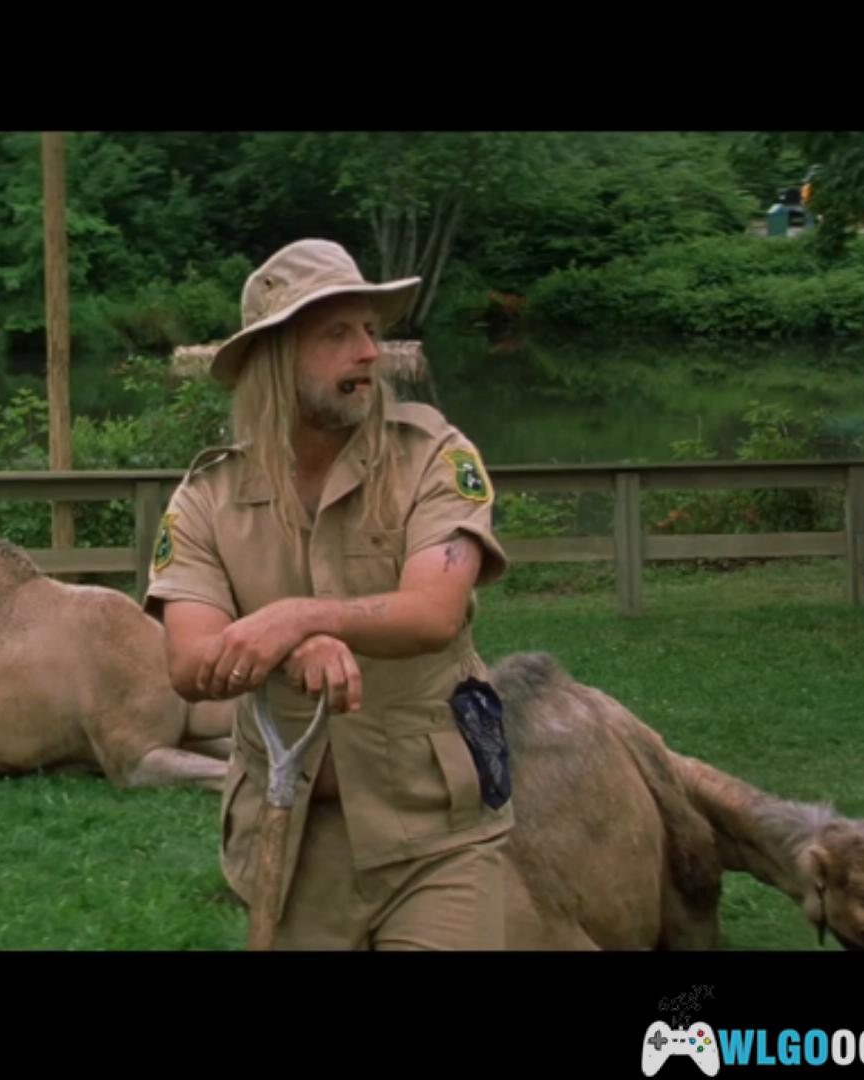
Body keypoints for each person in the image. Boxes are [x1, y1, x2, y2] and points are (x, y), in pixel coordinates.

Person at [145, 239, 513, 950]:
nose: (370, 352)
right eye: (337, 333)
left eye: (369, 330)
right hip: (289, 835)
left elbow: (434, 613)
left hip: (440, 833)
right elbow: (190, 664)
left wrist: (299, 617)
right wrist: (295, 647)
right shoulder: (206, 500)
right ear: (274, 359)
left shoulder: (435, 457)